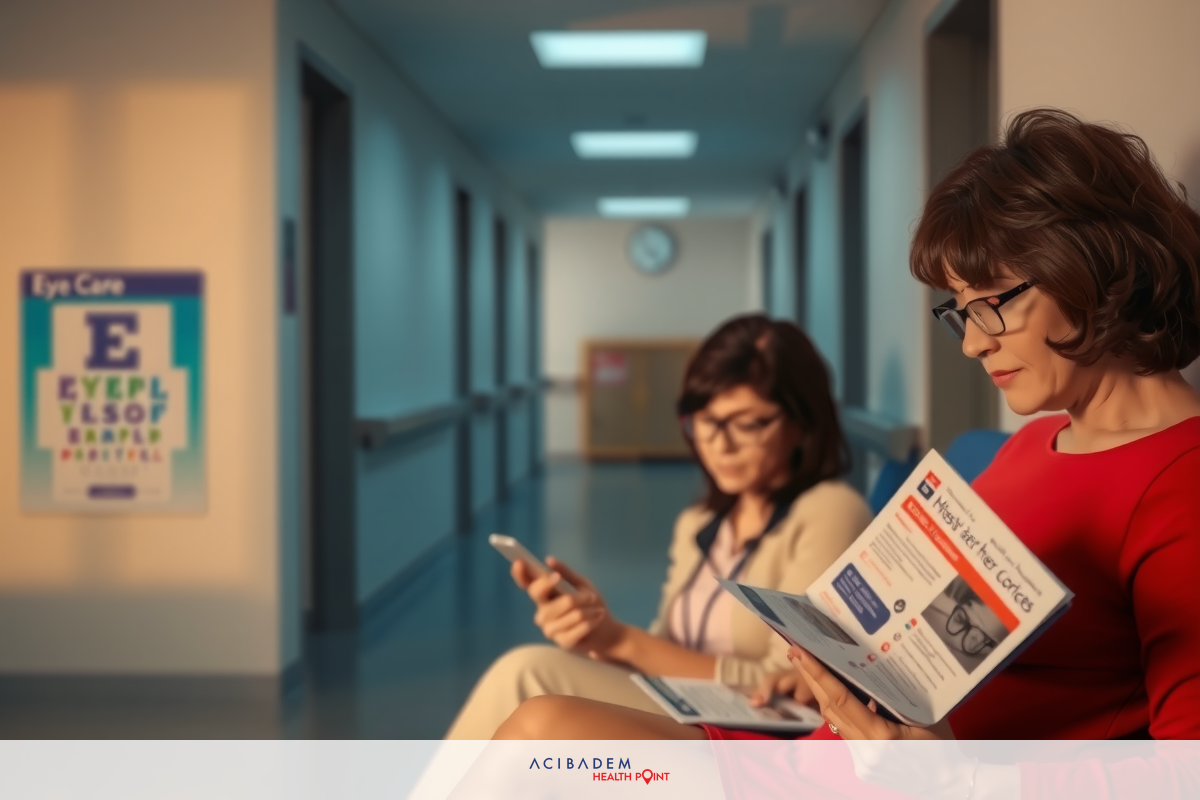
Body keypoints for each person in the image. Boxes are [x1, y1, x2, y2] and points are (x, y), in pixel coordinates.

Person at [493, 107, 1200, 762]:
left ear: (1097, 269)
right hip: (833, 746)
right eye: (960, 312)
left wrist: (947, 778)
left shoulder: (1180, 484)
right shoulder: (1029, 446)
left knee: (541, 733)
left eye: (992, 305)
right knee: (541, 725)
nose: (973, 345)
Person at [444, 314, 872, 738]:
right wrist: (597, 633)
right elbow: (661, 649)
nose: (719, 444)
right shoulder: (699, 524)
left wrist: (622, 641)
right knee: (526, 676)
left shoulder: (830, 510)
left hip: (754, 732)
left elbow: (786, 681)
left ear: (801, 423)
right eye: (706, 421)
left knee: (525, 675)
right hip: (685, 706)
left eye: (747, 423)